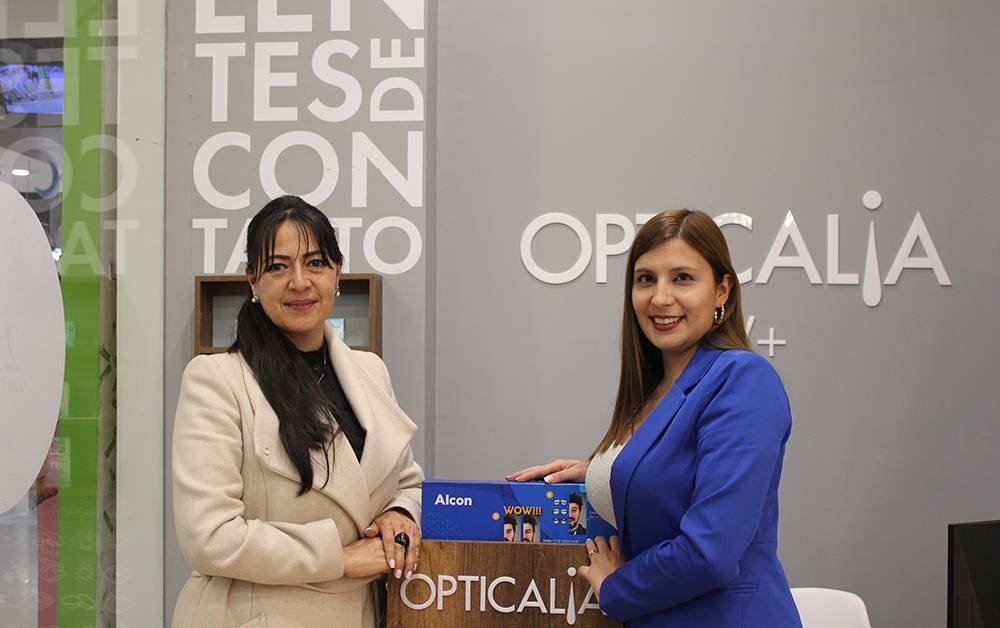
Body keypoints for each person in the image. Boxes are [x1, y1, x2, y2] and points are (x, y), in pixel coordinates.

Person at [508, 209, 802, 627]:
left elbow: (710, 552)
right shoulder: (655, 389)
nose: (660, 298)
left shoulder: (743, 378)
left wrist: (618, 587)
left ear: (722, 290)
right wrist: (604, 471)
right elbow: (675, 475)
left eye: (682, 278)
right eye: (646, 279)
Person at [172, 195, 424, 628]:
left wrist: (399, 514)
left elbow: (405, 481)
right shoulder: (216, 380)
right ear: (252, 279)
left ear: (337, 272)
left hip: (364, 614)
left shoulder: (369, 371)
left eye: (315, 263)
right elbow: (209, 537)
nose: (299, 282)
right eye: (277, 266)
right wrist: (339, 558)